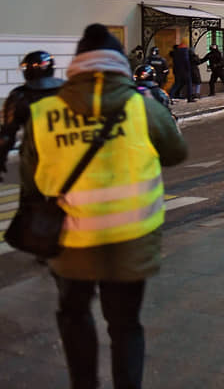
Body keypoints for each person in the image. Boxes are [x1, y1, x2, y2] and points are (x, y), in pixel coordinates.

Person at [21, 23, 187, 389]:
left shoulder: (46, 112)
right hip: (131, 238)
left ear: (77, 65)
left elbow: (31, 179)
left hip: (70, 238)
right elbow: (177, 153)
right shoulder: (140, 106)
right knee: (126, 324)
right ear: (119, 65)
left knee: (74, 314)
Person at [0, 51, 64, 181]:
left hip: (34, 158)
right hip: (67, 153)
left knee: (33, 198)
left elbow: (7, 135)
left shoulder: (20, 96)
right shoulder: (69, 90)